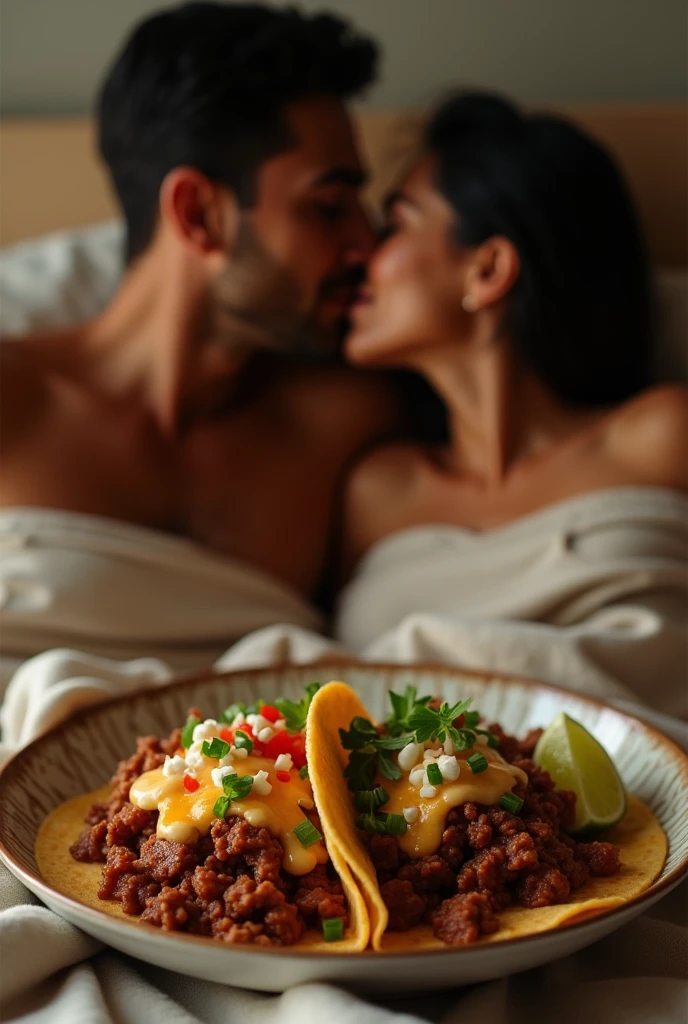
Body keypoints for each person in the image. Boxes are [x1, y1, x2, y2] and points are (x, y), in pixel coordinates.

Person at [0, 2, 403, 679]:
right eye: (328, 207)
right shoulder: (14, 400)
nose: (366, 243)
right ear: (198, 215)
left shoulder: (347, 421)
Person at [336, 92, 688, 714]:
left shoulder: (660, 437)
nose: (361, 254)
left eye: (395, 224)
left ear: (488, 268)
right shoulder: (377, 489)